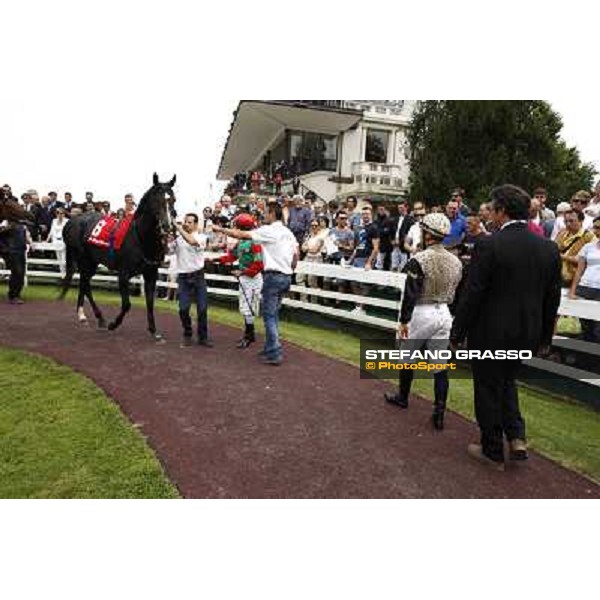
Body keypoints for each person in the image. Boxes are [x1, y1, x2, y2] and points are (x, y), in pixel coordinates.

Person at [450, 184, 561, 470]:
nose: (490, 214)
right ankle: (517, 438)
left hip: (491, 333)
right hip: (527, 333)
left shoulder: (490, 244)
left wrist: (457, 333)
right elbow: (552, 300)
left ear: (501, 211)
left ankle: (492, 450)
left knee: (488, 387)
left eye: (492, 208)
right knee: (507, 381)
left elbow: (472, 293)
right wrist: (545, 337)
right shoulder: (548, 248)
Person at [384, 213, 462, 430]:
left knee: (406, 356)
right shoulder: (456, 262)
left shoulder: (418, 260)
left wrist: (403, 321)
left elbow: (410, 293)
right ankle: (439, 412)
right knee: (440, 366)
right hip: (445, 313)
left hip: (421, 311)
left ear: (427, 234)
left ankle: (402, 396)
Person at [214, 202, 299, 366]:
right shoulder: (288, 232)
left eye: (266, 213)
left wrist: (221, 230)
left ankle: (274, 352)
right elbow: (296, 255)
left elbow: (242, 235)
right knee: (273, 315)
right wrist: (289, 269)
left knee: (269, 316)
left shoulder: (269, 230)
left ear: (273, 213)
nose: (263, 216)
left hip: (273, 277)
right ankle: (269, 349)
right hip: (286, 277)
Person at [219, 213, 264, 348]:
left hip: (252, 278)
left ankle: (249, 336)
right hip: (246, 278)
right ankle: (249, 335)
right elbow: (232, 257)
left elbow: (259, 265)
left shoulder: (254, 242)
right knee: (246, 307)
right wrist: (214, 260)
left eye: (237, 226)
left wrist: (242, 271)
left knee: (251, 307)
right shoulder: (242, 242)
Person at [168, 213, 212, 348]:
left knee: (202, 309)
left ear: (196, 224)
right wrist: (167, 239)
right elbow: (169, 250)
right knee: (183, 309)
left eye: (190, 222)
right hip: (184, 277)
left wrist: (177, 227)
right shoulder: (178, 239)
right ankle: (188, 333)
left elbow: (192, 242)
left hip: (198, 276)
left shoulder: (201, 237)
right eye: (185, 222)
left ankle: (203, 338)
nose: (186, 224)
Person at [568, 216, 600, 342]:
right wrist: (572, 291)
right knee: (586, 326)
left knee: (598, 328)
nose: (596, 230)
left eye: (599, 227)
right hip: (585, 288)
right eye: (595, 227)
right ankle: (586, 358)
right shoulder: (588, 247)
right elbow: (579, 271)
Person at [555, 209, 594, 287]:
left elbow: (585, 260)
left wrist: (561, 256)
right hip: (557, 276)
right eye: (565, 221)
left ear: (581, 221)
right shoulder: (561, 233)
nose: (568, 224)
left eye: (571, 221)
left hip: (574, 279)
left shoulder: (589, 237)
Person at [0, 221, 31, 304]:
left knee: (21, 273)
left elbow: (25, 238)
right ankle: (13, 295)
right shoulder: (9, 226)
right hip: (13, 252)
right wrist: (5, 249)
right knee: (17, 272)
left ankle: (17, 294)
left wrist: (29, 243)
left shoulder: (22, 226)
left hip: (21, 252)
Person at [47, 207, 69, 275]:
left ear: (64, 214)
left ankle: (65, 274)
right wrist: (47, 240)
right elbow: (51, 231)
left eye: (61, 213)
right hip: (55, 241)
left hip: (63, 242)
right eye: (58, 213)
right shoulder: (54, 220)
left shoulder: (67, 221)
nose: (59, 214)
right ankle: (62, 274)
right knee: (59, 258)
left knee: (64, 258)